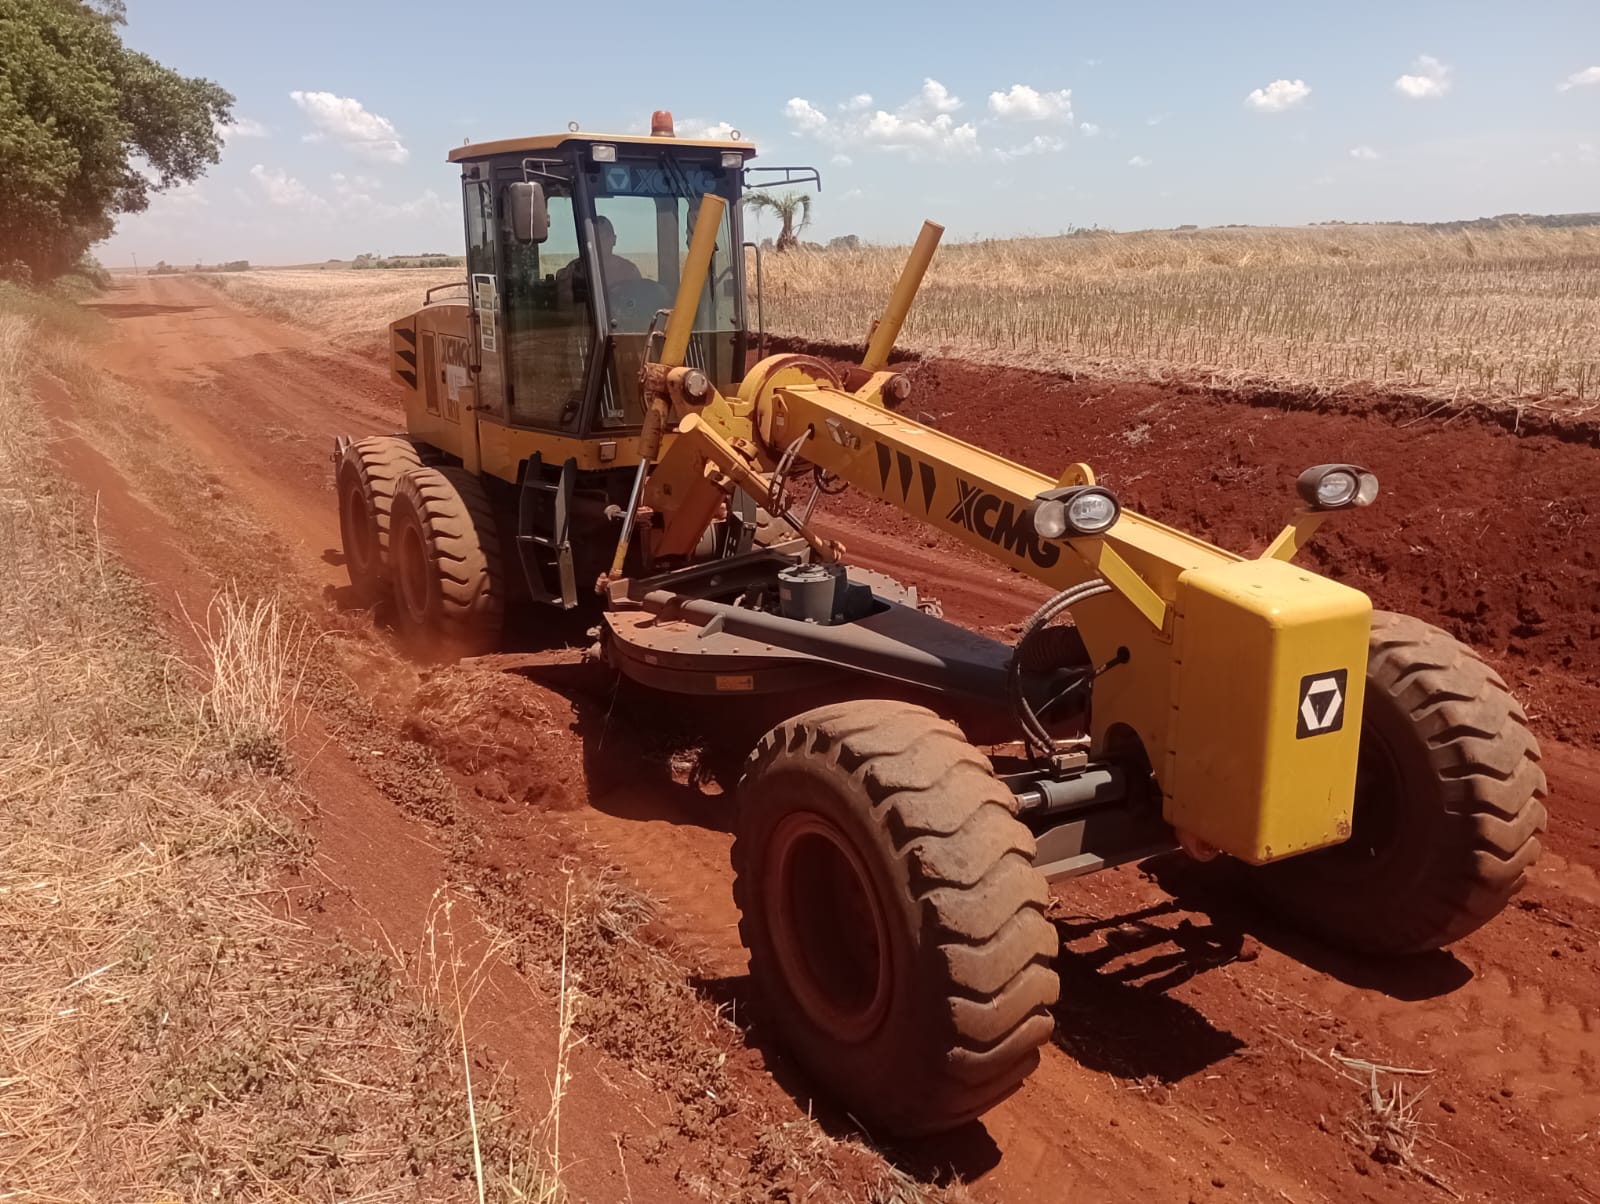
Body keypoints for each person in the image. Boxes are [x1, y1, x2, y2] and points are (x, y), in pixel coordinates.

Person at [555, 215, 641, 303]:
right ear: (587, 241)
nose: (600, 243)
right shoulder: (574, 270)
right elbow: (564, 305)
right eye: (595, 238)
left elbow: (639, 301)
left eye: (604, 237)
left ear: (614, 240)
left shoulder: (629, 270)